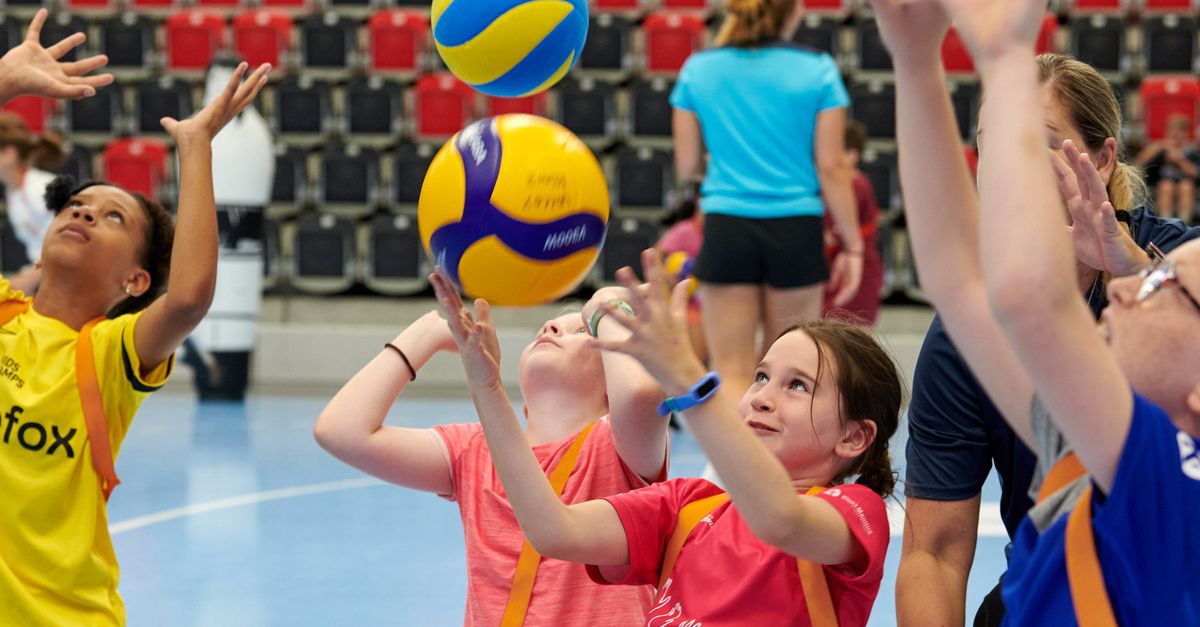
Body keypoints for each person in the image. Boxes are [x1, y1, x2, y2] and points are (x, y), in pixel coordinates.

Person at [879, 1, 1200, 623]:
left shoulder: (1156, 466)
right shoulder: (1093, 452)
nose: (1133, 288)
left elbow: (1012, 296)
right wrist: (915, 63)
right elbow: (960, 283)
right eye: (991, 146)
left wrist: (995, 54)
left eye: (1162, 284)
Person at [429, 249, 898, 625]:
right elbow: (554, 530)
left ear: (854, 438)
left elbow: (781, 521)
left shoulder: (855, 514)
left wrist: (687, 380)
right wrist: (487, 389)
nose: (761, 397)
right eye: (760, 376)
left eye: (797, 385)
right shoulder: (689, 506)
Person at [0, 10, 271, 625]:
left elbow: (189, 298)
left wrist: (195, 146)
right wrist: (5, 83)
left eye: (113, 216)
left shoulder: (109, 355)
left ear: (135, 280)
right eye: (77, 205)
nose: (85, 213)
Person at [312, 287, 670, 624]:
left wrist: (606, 304)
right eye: (549, 327)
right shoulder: (474, 450)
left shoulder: (619, 447)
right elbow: (341, 431)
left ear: (612, 375)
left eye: (582, 331)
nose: (552, 325)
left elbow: (640, 394)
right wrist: (428, 334)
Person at [671, 0, 863, 400]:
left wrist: (731, 171)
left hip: (727, 225)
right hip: (796, 228)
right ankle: (779, 463)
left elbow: (688, 164)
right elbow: (832, 168)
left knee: (732, 369)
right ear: (793, 12)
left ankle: (732, 463)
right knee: (791, 370)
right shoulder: (818, 70)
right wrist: (854, 245)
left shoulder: (698, 70)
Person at [822, 120, 884, 324]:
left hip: (858, 264)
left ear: (852, 155)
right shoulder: (826, 186)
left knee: (852, 326)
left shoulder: (858, 185)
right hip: (832, 264)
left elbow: (858, 228)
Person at [0, 111, 68, 293]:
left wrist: (28, 279)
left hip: (66, 276)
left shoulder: (41, 188)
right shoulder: (12, 191)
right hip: (45, 275)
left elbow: (68, 244)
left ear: (9, 153)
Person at [656, 181, 706, 363]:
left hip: (716, 303)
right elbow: (655, 262)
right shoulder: (684, 231)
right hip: (688, 305)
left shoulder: (725, 234)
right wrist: (670, 276)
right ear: (698, 199)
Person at [1135, 113, 1199, 223]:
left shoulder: (1191, 150)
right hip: (1163, 184)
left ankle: (1185, 222)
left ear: (1185, 132)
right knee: (1166, 186)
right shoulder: (1159, 148)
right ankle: (1166, 222)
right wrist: (1159, 147)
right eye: (1173, 129)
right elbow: (1139, 162)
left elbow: (1196, 173)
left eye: (1179, 130)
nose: (1176, 134)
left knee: (1186, 186)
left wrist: (1179, 160)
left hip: (1185, 185)